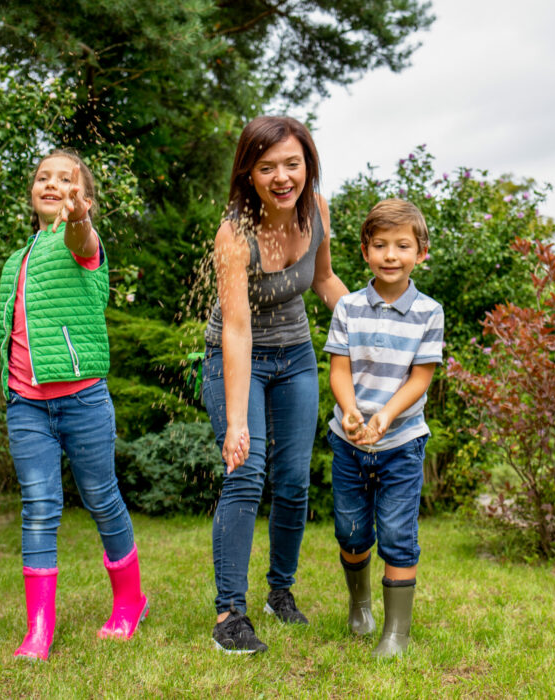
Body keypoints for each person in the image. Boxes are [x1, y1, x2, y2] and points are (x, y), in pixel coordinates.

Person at [0, 149, 148, 661]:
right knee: (38, 508)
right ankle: (39, 630)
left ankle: (130, 602)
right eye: (42, 177)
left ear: (86, 198)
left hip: (82, 398)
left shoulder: (84, 243)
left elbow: (82, 235)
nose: (52, 184)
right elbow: (1, 334)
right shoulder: (16, 261)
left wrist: (78, 218)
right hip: (26, 406)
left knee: (101, 498)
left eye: (66, 179)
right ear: (31, 192)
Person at [203, 116, 348, 654]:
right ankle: (229, 616)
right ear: (249, 173)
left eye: (292, 163)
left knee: (292, 482)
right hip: (235, 359)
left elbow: (326, 279)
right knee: (246, 472)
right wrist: (237, 421)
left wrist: (366, 322)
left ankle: (279, 594)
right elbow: (237, 328)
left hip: (297, 357)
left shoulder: (317, 211)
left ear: (307, 163)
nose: (283, 176)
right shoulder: (234, 235)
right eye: (268, 167)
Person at [324, 198, 443, 657]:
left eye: (402, 246)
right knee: (351, 532)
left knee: (396, 533)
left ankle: (395, 633)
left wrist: (385, 416)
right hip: (350, 441)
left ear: (421, 253)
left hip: (401, 442)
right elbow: (338, 370)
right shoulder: (349, 308)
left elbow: (421, 378)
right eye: (380, 245)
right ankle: (360, 605)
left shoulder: (429, 313)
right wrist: (350, 411)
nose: (390, 255)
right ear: (365, 252)